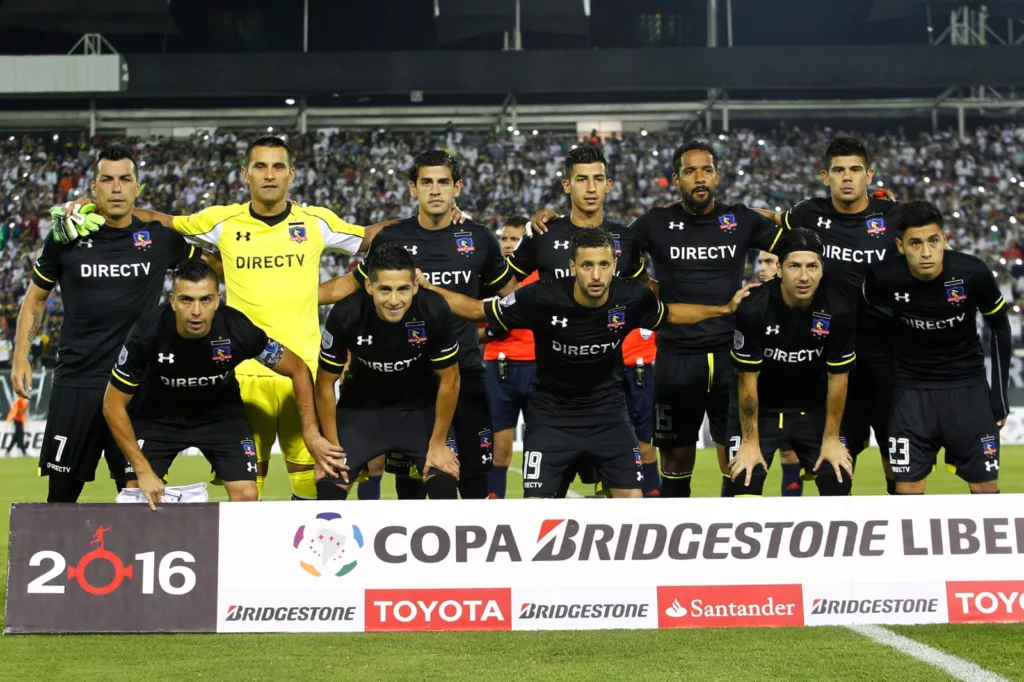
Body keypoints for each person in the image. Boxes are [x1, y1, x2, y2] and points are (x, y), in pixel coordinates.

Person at [53, 136, 401, 501]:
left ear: (292, 174)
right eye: (260, 167)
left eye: (278, 167)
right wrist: (93, 207)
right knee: (247, 491)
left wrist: (422, 222)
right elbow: (163, 222)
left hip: (303, 371)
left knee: (313, 486)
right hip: (244, 373)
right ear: (245, 174)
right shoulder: (221, 221)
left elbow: (369, 238)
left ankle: (299, 558)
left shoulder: (315, 223)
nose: (270, 175)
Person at [420, 228, 754, 498]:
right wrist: (426, 288)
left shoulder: (631, 297)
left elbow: (671, 314)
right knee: (535, 509)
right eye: (587, 265)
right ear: (573, 266)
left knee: (632, 504)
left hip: (607, 412)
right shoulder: (540, 296)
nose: (596, 275)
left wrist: (723, 310)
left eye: (603, 265)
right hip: (551, 415)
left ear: (614, 265)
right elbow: (478, 309)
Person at [319, 150, 517, 500]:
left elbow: (505, 301)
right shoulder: (392, 239)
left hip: (464, 372)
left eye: (443, 182)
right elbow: (348, 287)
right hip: (410, 382)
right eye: (427, 182)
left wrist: (431, 289)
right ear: (413, 188)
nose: (435, 190)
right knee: (411, 482)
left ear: (457, 187)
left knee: (473, 479)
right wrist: (282, 295)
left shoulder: (479, 238)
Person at [14, 143, 197, 502]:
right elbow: (35, 299)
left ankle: (139, 559)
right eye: (107, 180)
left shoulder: (160, 239)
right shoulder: (67, 237)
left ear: (137, 187)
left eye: (125, 179)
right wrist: (22, 355)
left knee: (139, 495)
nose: (116, 188)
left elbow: (214, 268)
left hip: (138, 385)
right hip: (77, 381)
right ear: (93, 188)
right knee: (62, 495)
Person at [103, 260, 345, 510]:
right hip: (158, 417)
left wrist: (310, 431)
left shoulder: (236, 328)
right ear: (173, 301)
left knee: (246, 495)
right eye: (187, 300)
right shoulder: (147, 333)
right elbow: (112, 405)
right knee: (137, 492)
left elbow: (298, 368)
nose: (196, 310)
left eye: (205, 299)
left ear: (217, 300)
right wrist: (142, 470)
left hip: (220, 418)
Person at [628, 140, 784, 497]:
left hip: (732, 356)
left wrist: (775, 216)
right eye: (690, 171)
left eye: (706, 170)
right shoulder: (654, 223)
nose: (699, 178)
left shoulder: (741, 219)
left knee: (736, 460)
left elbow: (796, 245)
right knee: (676, 463)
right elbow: (615, 254)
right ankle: (675, 548)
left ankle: (733, 546)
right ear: (676, 179)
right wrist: (648, 284)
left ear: (717, 176)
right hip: (676, 357)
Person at [519, 144, 657, 496]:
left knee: (619, 498)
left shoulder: (625, 239)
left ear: (609, 184)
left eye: (598, 179)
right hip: (552, 394)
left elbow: (645, 293)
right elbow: (502, 284)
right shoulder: (543, 234)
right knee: (544, 507)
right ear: (567, 185)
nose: (591, 188)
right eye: (582, 179)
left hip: (607, 391)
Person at [768, 134, 901, 494]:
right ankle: (840, 540)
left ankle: (904, 543)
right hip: (831, 358)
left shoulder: (893, 217)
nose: (847, 177)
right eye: (838, 170)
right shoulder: (807, 214)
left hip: (887, 357)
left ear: (869, 176)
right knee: (835, 464)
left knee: (900, 464)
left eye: (855, 169)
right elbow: (772, 222)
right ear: (825, 176)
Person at [862, 201, 1010, 495]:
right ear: (900, 246)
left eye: (933, 241)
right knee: (907, 493)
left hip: (968, 389)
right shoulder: (884, 277)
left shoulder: (973, 273)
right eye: (915, 243)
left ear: (945, 239)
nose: (926, 252)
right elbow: (867, 321)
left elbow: (1000, 328)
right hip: (910, 393)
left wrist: (1000, 396)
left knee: (985, 490)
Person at [315, 243, 461, 500]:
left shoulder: (434, 309)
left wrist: (438, 443)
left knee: (445, 484)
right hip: (360, 411)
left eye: (403, 289)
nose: (394, 300)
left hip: (420, 409)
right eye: (385, 289)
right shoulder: (346, 313)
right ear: (369, 287)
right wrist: (331, 446)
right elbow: (325, 384)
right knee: (328, 487)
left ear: (415, 286)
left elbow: (450, 380)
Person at [728, 229, 856, 496]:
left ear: (822, 270)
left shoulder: (840, 308)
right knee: (744, 480)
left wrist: (831, 439)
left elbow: (839, 378)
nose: (804, 276)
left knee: (839, 479)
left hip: (813, 410)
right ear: (779, 270)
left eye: (812, 266)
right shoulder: (754, 308)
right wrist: (750, 442)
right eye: (794, 266)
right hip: (762, 411)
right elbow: (746, 379)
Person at [483, 216, 537, 498]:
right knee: (498, 450)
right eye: (503, 238)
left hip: (537, 366)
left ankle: (536, 510)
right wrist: (493, 329)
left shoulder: (540, 275)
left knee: (537, 451)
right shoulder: (489, 278)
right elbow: (476, 330)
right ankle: (494, 512)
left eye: (514, 239)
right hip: (498, 366)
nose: (507, 244)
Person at [754, 248, 802, 495]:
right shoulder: (749, 299)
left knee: (790, 452)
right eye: (760, 261)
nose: (762, 267)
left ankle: (792, 517)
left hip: (793, 388)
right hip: (755, 392)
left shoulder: (803, 300)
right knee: (753, 460)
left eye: (769, 261)